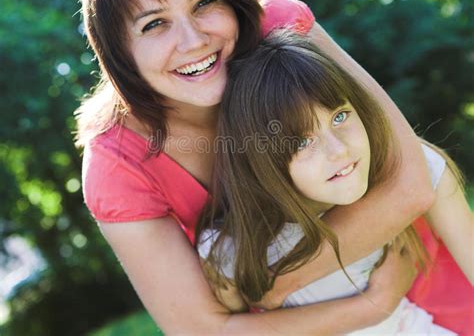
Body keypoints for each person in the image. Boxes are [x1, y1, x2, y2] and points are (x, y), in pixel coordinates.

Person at [74, 0, 466, 334]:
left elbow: (412, 182)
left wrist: (269, 284)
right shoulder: (116, 162)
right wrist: (375, 306)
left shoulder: (276, 25)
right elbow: (202, 329)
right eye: (154, 23)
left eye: (204, 3)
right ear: (118, 53)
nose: (193, 41)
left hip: (412, 266)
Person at [197, 30, 473, 334]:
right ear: (261, 161)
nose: (338, 150)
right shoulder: (231, 249)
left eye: (340, 117)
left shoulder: (412, 172)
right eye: (301, 141)